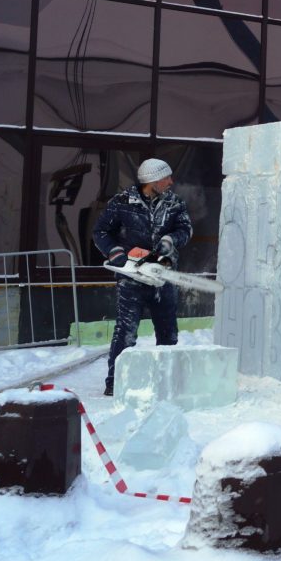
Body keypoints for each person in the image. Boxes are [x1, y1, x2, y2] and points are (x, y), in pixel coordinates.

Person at [92, 158, 193, 396]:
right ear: (152, 180)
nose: (171, 181)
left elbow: (185, 229)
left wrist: (171, 240)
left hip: (163, 275)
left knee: (168, 332)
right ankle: (115, 382)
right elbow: (101, 231)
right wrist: (115, 252)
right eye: (165, 177)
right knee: (126, 331)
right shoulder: (122, 202)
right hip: (131, 278)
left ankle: (167, 382)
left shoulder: (175, 203)